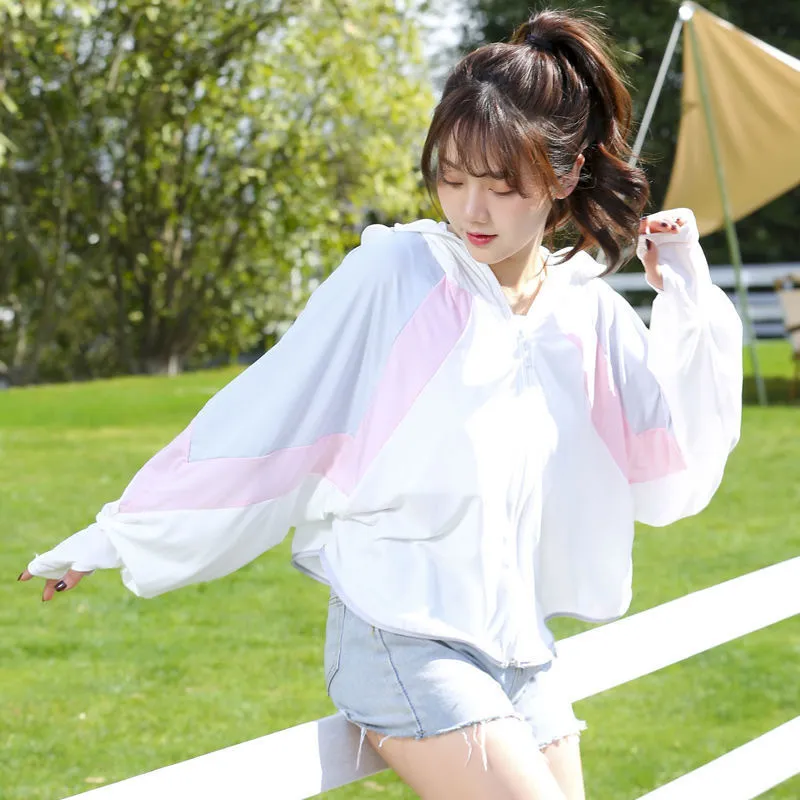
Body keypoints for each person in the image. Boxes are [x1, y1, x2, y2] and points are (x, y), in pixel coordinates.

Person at [18, 8, 743, 800]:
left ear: (563, 178)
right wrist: (117, 536)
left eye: (501, 186)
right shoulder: (397, 276)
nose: (471, 210)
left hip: (520, 645)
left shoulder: (585, 313)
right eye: (452, 178)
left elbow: (670, 470)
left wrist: (688, 295)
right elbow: (270, 413)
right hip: (403, 636)